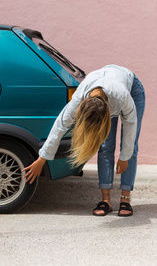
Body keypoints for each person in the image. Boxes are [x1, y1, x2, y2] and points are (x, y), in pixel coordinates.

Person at [23, 64, 145, 217]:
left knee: (130, 147)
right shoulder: (78, 100)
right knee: (105, 146)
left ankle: (125, 199)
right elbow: (59, 126)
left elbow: (130, 127)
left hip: (132, 88)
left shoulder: (122, 97)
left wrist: (124, 157)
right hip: (106, 89)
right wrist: (42, 159)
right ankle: (105, 200)